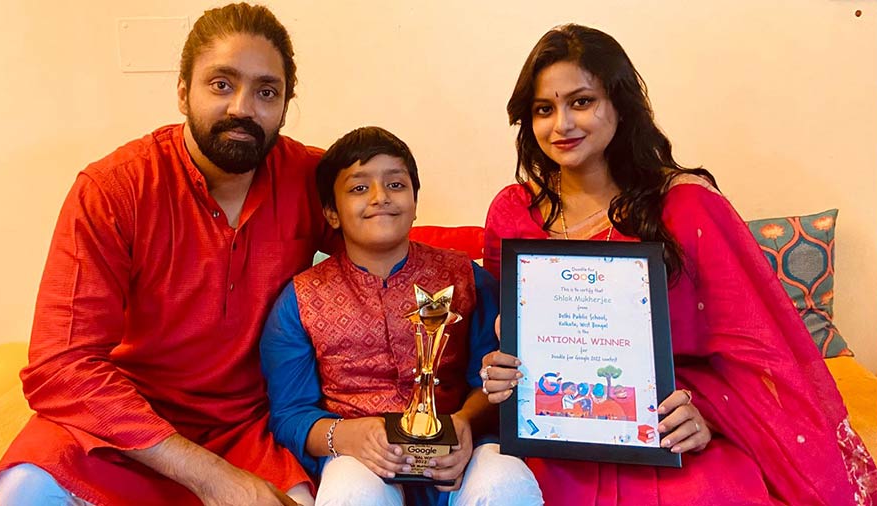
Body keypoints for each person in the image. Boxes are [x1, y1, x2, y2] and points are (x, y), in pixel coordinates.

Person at [480, 24, 876, 505]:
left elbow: (754, 350)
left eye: (581, 101)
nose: (561, 124)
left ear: (620, 105)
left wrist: (705, 415)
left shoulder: (684, 205)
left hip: (668, 432)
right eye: (544, 109)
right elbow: (509, 339)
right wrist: (501, 369)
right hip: (553, 435)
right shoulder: (512, 212)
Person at [0, 4, 334, 505]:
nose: (243, 107)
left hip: (247, 429)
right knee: (26, 489)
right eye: (221, 83)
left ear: (285, 104)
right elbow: (61, 363)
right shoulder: (114, 188)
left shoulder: (309, 178)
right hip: (124, 425)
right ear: (181, 91)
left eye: (266, 91)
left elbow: (397, 252)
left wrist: (490, 299)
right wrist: (209, 476)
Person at [260, 126, 543, 506]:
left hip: (461, 454)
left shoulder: (466, 278)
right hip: (358, 459)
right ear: (331, 212)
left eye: (395, 184)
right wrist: (345, 436)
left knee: (505, 483)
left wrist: (464, 425)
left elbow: (495, 380)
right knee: (351, 494)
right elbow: (289, 414)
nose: (380, 198)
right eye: (359, 188)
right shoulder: (300, 298)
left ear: (414, 200)